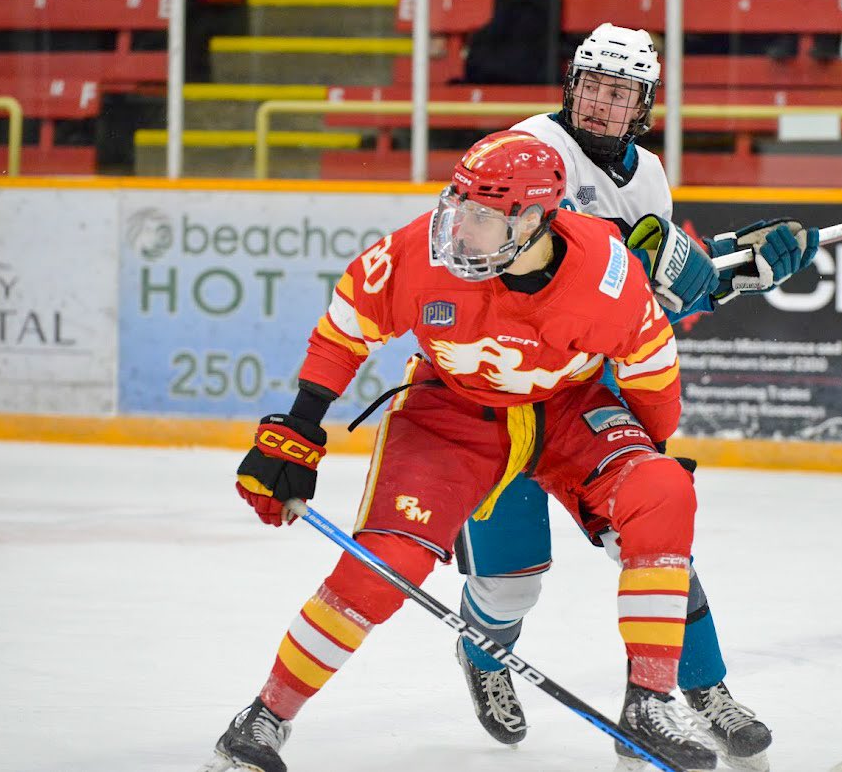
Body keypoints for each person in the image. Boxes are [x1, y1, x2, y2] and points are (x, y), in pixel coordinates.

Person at [205, 130, 732, 772]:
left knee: (663, 489)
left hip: (568, 412)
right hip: (450, 415)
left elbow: (654, 371)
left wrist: (644, 462)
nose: (459, 228)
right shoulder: (419, 255)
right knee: (380, 565)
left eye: (482, 216)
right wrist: (301, 426)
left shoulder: (607, 275)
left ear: (535, 220)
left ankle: (648, 705)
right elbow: (347, 324)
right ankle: (264, 719)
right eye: (459, 206)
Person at [451, 23, 819, 770]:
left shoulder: (646, 175)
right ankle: (484, 658)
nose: (599, 102)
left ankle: (702, 691)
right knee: (509, 580)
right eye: (590, 84)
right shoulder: (525, 151)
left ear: (643, 104)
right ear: (570, 85)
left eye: (618, 92)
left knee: (656, 542)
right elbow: (492, 263)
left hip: (585, 399)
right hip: (496, 392)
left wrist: (731, 272)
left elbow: (642, 301)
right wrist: (667, 263)